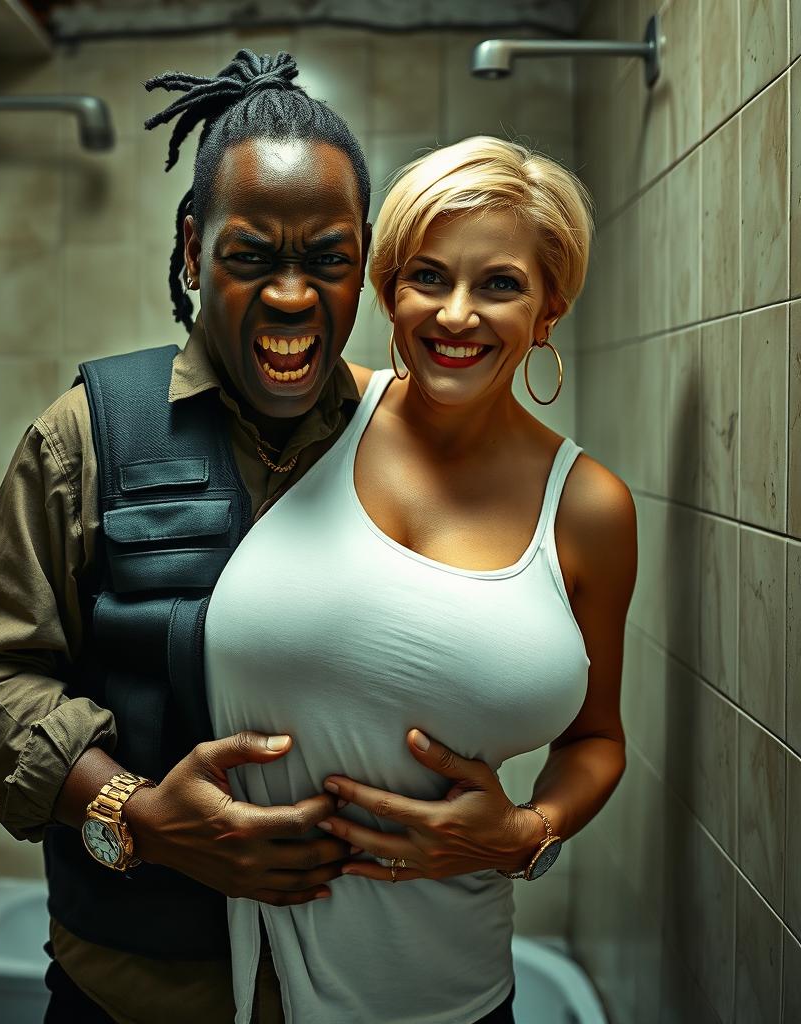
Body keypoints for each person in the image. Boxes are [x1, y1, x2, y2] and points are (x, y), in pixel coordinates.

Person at [0, 49, 374, 1023]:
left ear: (363, 258)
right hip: (132, 995)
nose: (293, 296)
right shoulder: (89, 433)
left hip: (372, 989)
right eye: (251, 255)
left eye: (327, 258)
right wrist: (132, 809)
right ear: (191, 247)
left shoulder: (407, 438)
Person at [203, 136, 636, 1023]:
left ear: (550, 307)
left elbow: (597, 741)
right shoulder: (316, 421)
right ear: (388, 290)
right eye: (429, 277)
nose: (458, 315)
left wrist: (524, 834)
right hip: (251, 991)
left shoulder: (589, 507)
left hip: (460, 997)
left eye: (501, 285)